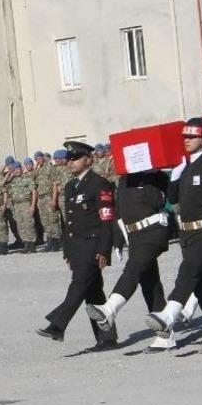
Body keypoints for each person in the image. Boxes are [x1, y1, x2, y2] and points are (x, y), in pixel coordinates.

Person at [144, 117, 202, 351]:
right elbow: (172, 201)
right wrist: (174, 177)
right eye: (185, 136)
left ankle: (169, 314)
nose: (187, 140)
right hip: (187, 233)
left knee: (188, 271)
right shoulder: (185, 167)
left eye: (192, 136)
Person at [36, 141, 117, 347]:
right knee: (93, 292)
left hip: (93, 246)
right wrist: (68, 249)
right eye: (69, 159)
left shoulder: (100, 184)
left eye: (76, 158)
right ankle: (106, 337)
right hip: (77, 247)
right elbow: (69, 220)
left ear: (88, 159)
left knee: (78, 285)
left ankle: (58, 324)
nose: (71, 163)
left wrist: (104, 250)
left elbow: (107, 220)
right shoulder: (71, 185)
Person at [85, 168, 175, 350]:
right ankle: (166, 335)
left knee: (132, 269)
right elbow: (119, 211)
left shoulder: (156, 176)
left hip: (154, 231)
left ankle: (109, 309)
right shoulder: (124, 179)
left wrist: (148, 178)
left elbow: (160, 201)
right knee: (150, 282)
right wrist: (118, 241)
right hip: (135, 236)